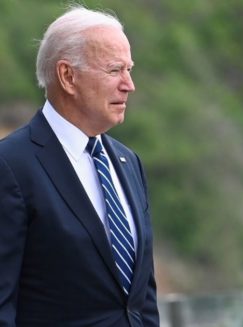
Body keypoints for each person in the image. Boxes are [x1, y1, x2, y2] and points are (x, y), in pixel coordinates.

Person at [0, 5, 159, 326]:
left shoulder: (129, 163)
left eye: (129, 70)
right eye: (115, 70)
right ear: (68, 76)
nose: (129, 84)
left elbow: (143, 302)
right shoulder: (10, 166)